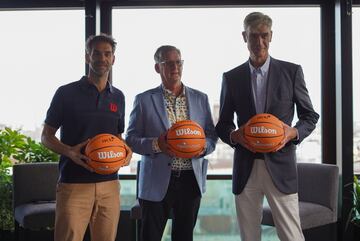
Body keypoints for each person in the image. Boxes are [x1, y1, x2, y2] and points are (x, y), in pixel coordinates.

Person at [215, 12, 319, 241]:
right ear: (244, 37)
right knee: (249, 236)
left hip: (280, 166)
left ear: (271, 36)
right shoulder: (231, 77)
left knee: (291, 235)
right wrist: (234, 136)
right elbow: (222, 124)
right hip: (245, 167)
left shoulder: (291, 72)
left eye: (264, 36)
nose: (259, 42)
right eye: (253, 36)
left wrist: (293, 132)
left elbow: (310, 116)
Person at [41, 33, 132, 241]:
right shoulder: (65, 93)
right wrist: (69, 152)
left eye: (107, 54)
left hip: (109, 184)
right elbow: (46, 136)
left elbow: (117, 138)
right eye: (97, 53)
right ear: (87, 57)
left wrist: (126, 153)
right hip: (74, 184)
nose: (102, 58)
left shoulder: (118, 96)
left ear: (113, 59)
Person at [126, 45, 218, 241]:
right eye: (168, 63)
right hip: (155, 180)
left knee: (184, 237)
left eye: (178, 62)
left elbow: (211, 135)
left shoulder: (200, 98)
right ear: (158, 67)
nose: (175, 67)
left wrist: (203, 148)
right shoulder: (143, 100)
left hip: (190, 180)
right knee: (150, 236)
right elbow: (131, 139)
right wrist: (156, 144)